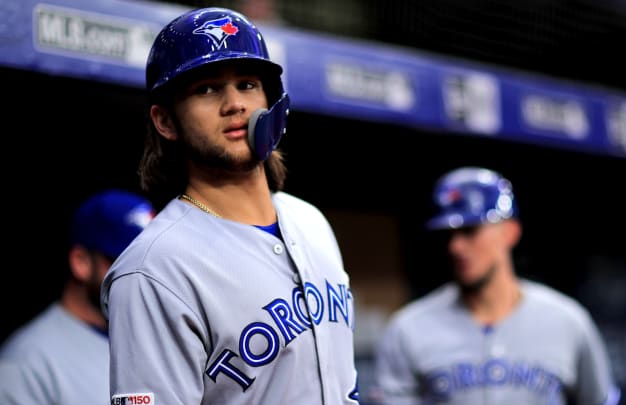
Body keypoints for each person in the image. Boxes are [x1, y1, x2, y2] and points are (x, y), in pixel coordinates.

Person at [99, 7, 359, 404]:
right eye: (206, 88)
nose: (234, 104)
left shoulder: (310, 221)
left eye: (248, 84)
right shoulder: (153, 270)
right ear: (165, 120)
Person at [373, 166, 620, 405]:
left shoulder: (568, 321)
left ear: (510, 232)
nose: (455, 247)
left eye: (470, 231)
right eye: (448, 235)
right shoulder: (407, 329)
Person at [0, 189, 155, 404]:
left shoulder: (154, 337)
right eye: (124, 263)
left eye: (151, 264)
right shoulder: (25, 365)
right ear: (81, 262)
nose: (140, 276)